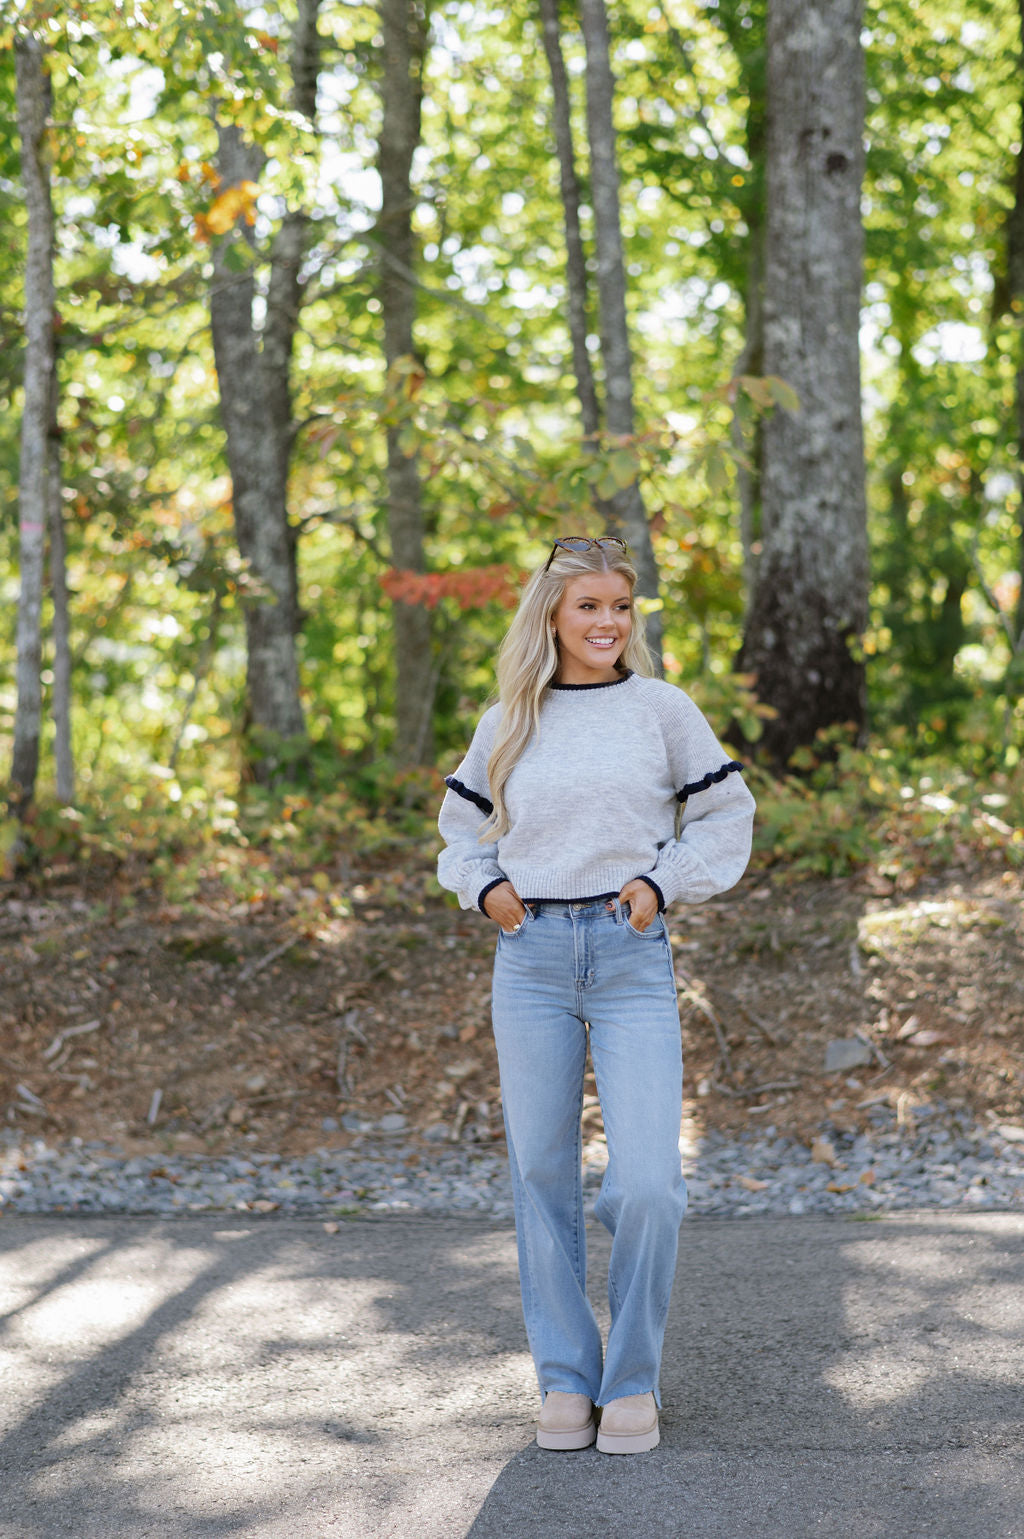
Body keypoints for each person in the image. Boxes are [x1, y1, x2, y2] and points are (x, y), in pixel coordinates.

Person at [436, 536, 755, 1455]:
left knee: (649, 1183)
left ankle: (634, 1381)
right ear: (552, 615)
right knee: (540, 1176)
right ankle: (566, 1379)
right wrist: (484, 888)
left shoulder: (662, 710)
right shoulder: (509, 719)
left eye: (622, 606)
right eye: (589, 607)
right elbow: (460, 832)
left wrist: (664, 882)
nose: (609, 622)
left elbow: (727, 813)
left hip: (629, 952)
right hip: (528, 955)